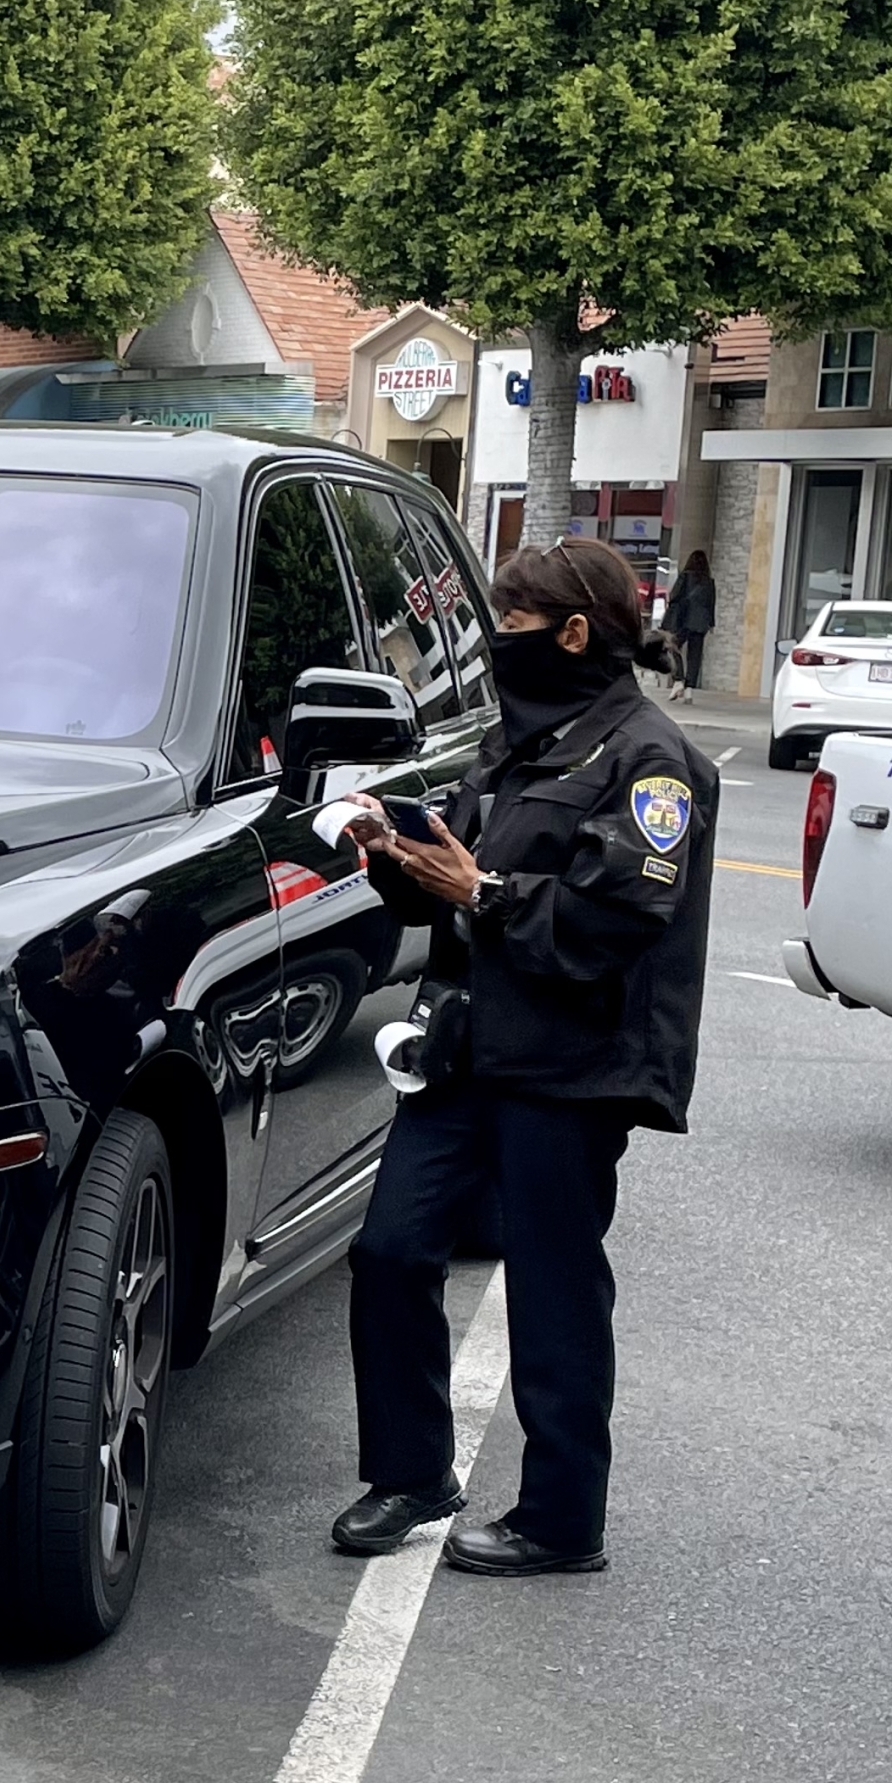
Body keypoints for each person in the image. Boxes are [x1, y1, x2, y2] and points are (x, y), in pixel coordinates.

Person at [328, 537, 717, 1575]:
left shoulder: (649, 760)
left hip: (568, 1066)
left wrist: (480, 895)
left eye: (509, 628)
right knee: (389, 1252)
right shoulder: (517, 744)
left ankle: (558, 1518)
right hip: (466, 1049)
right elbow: (457, 879)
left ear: (574, 633)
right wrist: (395, 858)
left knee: (551, 1288)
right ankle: (410, 1473)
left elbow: (615, 922)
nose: (496, 646)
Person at [660, 550, 715, 698]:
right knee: (695, 655)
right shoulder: (709, 582)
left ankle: (678, 679)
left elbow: (674, 596)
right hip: (701, 623)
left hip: (683, 620)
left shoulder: (685, 577)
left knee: (673, 646)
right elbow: (711, 604)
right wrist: (711, 623)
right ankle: (690, 687)